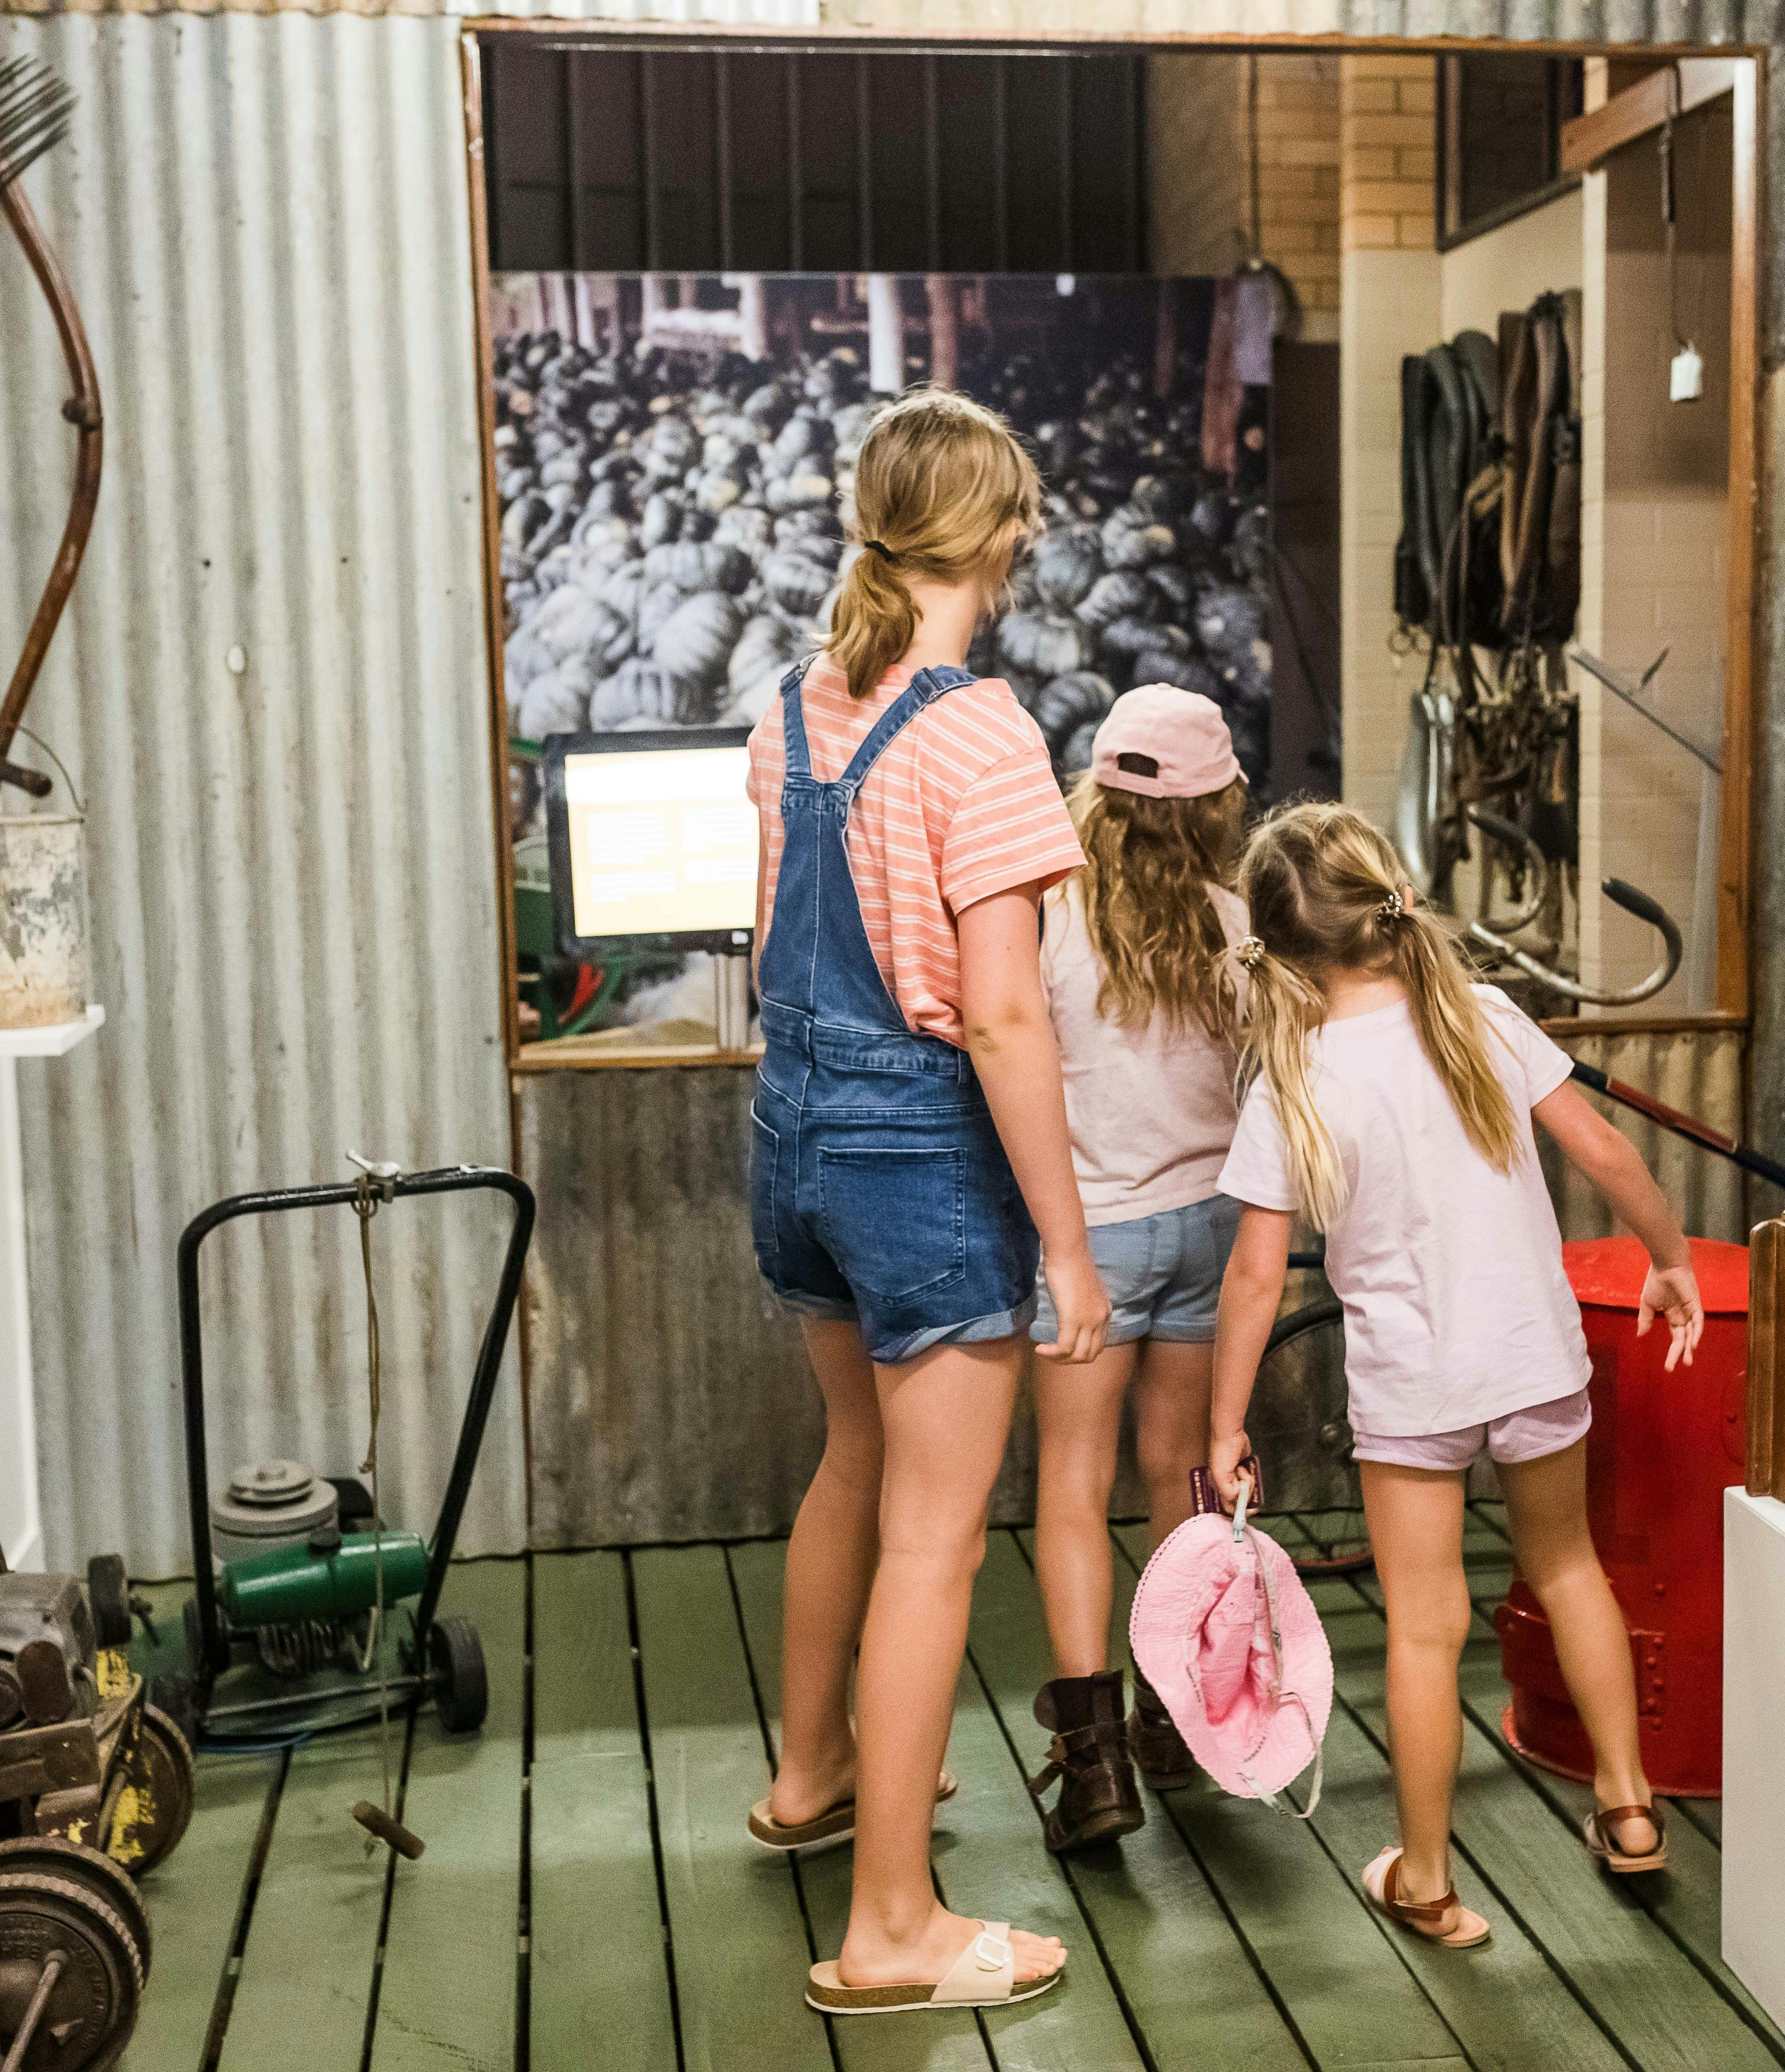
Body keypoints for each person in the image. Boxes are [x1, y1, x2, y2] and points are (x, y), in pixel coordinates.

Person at [737, 387, 1105, 2017]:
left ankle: (810, 1773)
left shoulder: (794, 707)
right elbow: (1008, 1016)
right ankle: (894, 1925)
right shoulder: (984, 733)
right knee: (937, 1541)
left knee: (856, 1462)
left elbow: (778, 945)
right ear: (1004, 534)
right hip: (925, 1159)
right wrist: (1074, 1248)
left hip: (796, 1138)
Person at [1205, 803, 1705, 1948]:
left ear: (1277, 950)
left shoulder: (1293, 1073)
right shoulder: (1477, 1014)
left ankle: (1426, 1878)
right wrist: (1669, 1258)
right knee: (1569, 1566)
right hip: (1533, 1353)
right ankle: (1628, 1805)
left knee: (1425, 1631)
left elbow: (1251, 1277)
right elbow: (1608, 1148)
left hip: (1414, 1388)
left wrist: (1227, 1419)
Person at [1020, 684, 1249, 1853]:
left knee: (1073, 1483)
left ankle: (1097, 1765)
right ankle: (1172, 1715)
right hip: (1209, 1227)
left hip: (1091, 1238)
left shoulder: (1049, 911)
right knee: (1180, 1476)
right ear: (1213, 804)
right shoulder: (1233, 917)